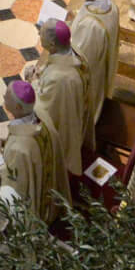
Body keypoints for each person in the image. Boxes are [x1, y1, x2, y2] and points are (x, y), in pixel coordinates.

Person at [0, 80, 63, 222]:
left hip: (36, 204)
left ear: (18, 107)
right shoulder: (41, 116)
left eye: (6, 96)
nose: (3, 97)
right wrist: (8, 141)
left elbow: (12, 183)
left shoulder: (19, 149)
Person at [25, 19, 86, 180]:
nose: (39, 33)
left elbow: (45, 111)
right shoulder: (74, 52)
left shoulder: (59, 79)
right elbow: (51, 69)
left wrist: (33, 83)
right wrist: (40, 74)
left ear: (52, 44)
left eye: (42, 33)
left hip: (63, 131)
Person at [69, 0, 119, 150]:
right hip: (102, 63)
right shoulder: (111, 5)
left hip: (92, 72)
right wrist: (76, 19)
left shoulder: (91, 25)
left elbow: (79, 58)